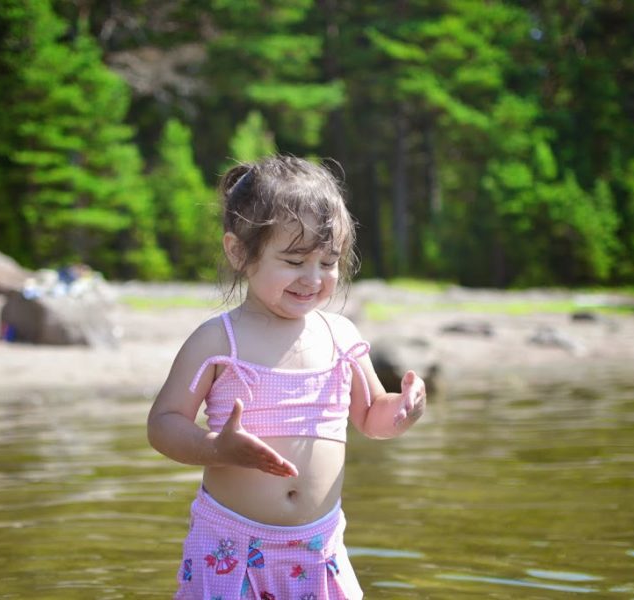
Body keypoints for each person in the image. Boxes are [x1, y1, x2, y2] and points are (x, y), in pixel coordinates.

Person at [148, 155, 426, 599]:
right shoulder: (218, 341)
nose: (313, 278)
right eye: (295, 261)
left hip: (318, 547)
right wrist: (213, 448)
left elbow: (373, 417)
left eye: (328, 262)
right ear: (239, 252)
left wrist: (403, 411)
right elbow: (163, 423)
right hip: (232, 544)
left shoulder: (340, 337)